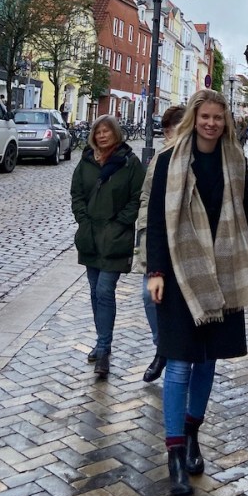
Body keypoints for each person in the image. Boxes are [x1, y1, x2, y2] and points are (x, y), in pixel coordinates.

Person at [146, 89, 248, 496]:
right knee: (180, 364)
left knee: (208, 360)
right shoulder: (169, 160)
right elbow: (157, 219)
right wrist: (155, 271)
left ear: (225, 120)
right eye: (205, 117)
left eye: (218, 117)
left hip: (222, 271)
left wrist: (241, 264)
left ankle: (192, 432)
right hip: (180, 271)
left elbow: (243, 217)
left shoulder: (235, 160)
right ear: (194, 119)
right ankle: (175, 454)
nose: (211, 124)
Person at [70, 114, 145, 379]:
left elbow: (137, 197)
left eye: (106, 131)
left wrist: (120, 222)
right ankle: (102, 340)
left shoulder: (129, 162)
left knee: (104, 289)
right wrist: (83, 219)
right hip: (90, 236)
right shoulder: (86, 161)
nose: (102, 136)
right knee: (94, 291)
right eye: (98, 132)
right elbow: (77, 193)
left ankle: (103, 348)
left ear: (116, 133)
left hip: (115, 237)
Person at [133, 104, 186, 383]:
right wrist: (144, 227)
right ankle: (162, 347)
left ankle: (175, 351)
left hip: (183, 240)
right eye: (167, 131)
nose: (170, 136)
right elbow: (146, 195)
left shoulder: (191, 155)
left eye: (173, 130)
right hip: (155, 237)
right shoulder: (159, 158)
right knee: (149, 295)